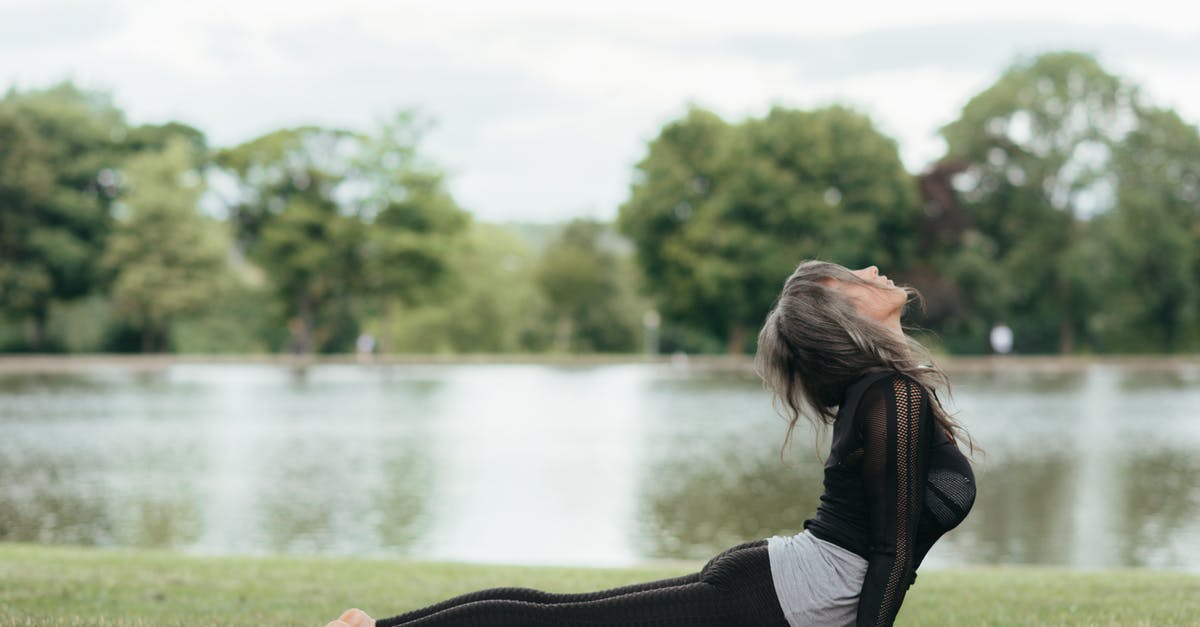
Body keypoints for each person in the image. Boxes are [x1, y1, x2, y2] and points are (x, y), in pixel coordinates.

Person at [327, 260, 977, 627]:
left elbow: (889, 547)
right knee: (559, 621)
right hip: (777, 595)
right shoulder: (890, 394)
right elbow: (891, 550)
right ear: (848, 311)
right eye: (851, 275)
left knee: (559, 615)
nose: (870, 267)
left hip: (784, 586)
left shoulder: (882, 392)